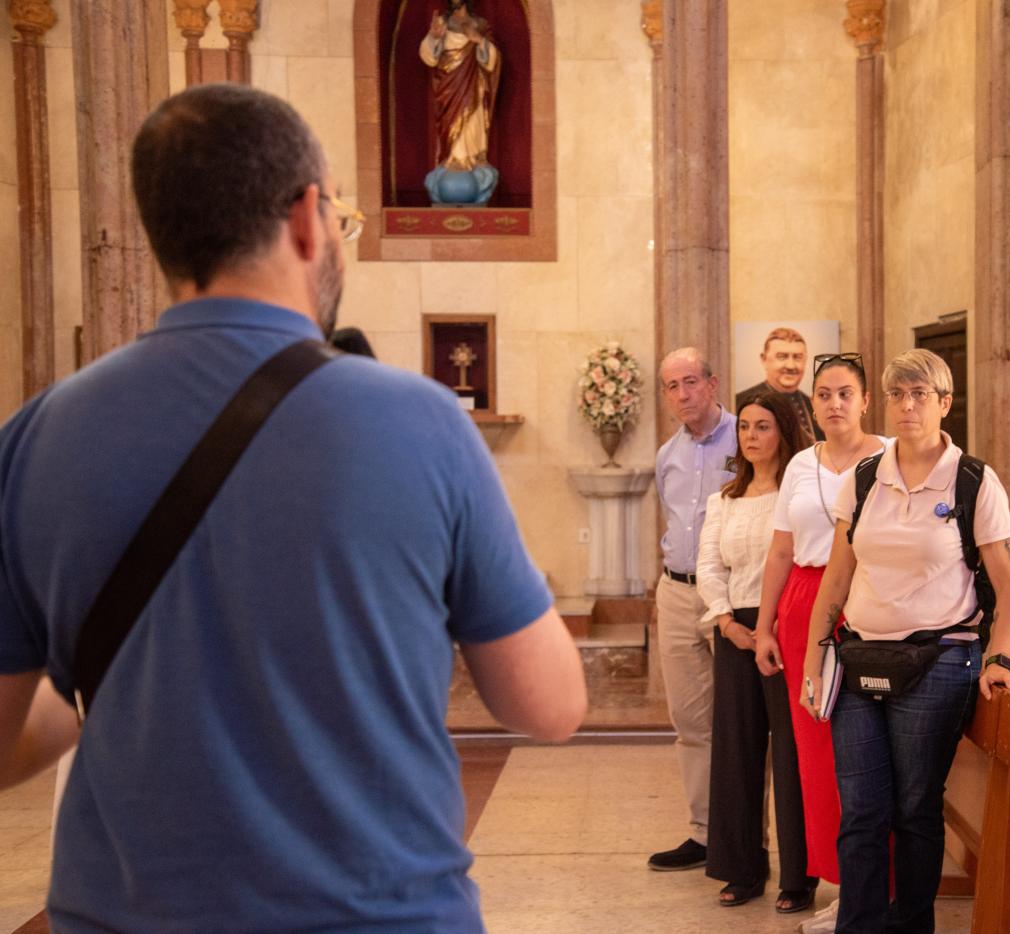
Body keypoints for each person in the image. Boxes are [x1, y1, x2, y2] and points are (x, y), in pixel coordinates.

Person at [0, 84, 586, 931]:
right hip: (372, 914)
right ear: (309, 219)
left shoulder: (37, 435)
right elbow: (551, 705)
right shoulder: (418, 421)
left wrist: (115, 683)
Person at [799, 348, 1010, 933]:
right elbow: (837, 573)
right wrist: (812, 657)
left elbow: (1008, 582)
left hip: (939, 661)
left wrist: (999, 658)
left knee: (914, 808)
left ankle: (911, 926)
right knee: (862, 811)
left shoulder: (973, 479)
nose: (907, 406)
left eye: (920, 395)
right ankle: (859, 926)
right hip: (860, 657)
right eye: (898, 394)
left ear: (945, 404)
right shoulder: (866, 476)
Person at [752, 353, 886, 908]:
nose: (835, 403)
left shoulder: (890, 457)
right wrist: (764, 628)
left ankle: (880, 884)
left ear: (864, 400)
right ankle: (839, 885)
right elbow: (782, 548)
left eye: (845, 393)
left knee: (870, 750)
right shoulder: (801, 467)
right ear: (813, 401)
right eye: (824, 394)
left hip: (871, 604)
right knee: (815, 752)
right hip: (804, 602)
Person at [697, 391, 810, 910]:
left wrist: (767, 626)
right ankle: (742, 868)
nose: (751, 436)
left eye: (763, 427)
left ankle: (798, 877)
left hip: (787, 630)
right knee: (737, 751)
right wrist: (725, 621)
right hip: (735, 630)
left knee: (790, 754)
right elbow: (709, 565)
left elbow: (800, 560)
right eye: (745, 427)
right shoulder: (725, 499)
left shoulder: (800, 493)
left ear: (783, 432)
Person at [649, 347, 737, 872]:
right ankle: (705, 833)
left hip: (728, 596)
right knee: (690, 719)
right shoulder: (668, 455)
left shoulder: (746, 441)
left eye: (690, 382)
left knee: (743, 721)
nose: (682, 394)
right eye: (671, 386)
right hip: (677, 594)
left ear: (712, 382)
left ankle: (750, 832)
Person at [421, 2, 501, 173]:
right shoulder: (441, 24)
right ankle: (452, 165)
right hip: (448, 91)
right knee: (451, 133)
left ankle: (472, 166)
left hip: (473, 90)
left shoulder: (479, 24)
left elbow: (493, 62)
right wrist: (434, 38)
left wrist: (479, 40)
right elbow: (429, 58)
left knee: (472, 129)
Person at [736, 327, 823, 444]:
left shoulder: (815, 406)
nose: (791, 366)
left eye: (798, 357)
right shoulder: (738, 403)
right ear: (764, 359)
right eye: (782, 357)